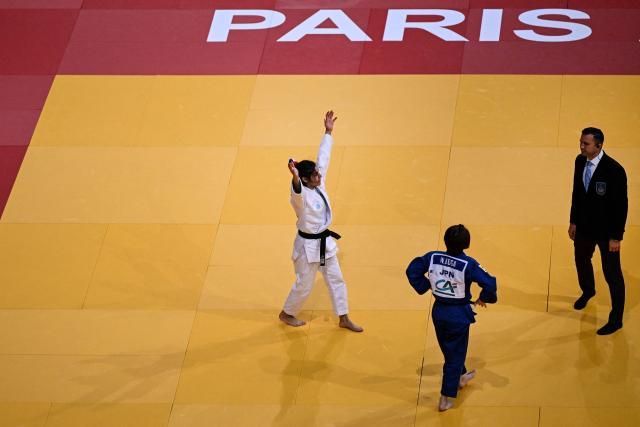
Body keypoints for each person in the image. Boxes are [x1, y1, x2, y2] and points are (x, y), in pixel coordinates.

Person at [278, 111, 363, 333]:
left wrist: (328, 132)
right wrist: (295, 177)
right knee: (304, 285)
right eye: (314, 175)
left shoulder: (318, 182)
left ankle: (344, 317)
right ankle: (287, 313)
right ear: (305, 179)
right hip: (307, 247)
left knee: (336, 279)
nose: (319, 176)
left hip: (325, 243)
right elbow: (296, 191)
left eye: (317, 173)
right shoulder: (301, 196)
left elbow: (323, 156)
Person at [406, 224, 497, 412]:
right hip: (458, 315)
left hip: (439, 312)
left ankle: (461, 376)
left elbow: (412, 270)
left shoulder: (432, 257)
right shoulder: (469, 264)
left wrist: (427, 286)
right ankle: (446, 397)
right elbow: (490, 282)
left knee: (451, 349)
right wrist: (484, 298)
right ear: (467, 243)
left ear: (445, 241)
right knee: (454, 357)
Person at [569, 127, 628, 335]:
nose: (581, 146)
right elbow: (577, 192)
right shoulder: (579, 161)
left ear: (599, 145)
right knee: (581, 260)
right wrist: (573, 221)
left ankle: (616, 319)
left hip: (606, 232)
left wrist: (616, 237)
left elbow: (621, 206)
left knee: (612, 274)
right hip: (584, 227)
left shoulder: (614, 171)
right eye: (581, 142)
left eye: (586, 144)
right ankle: (588, 290)